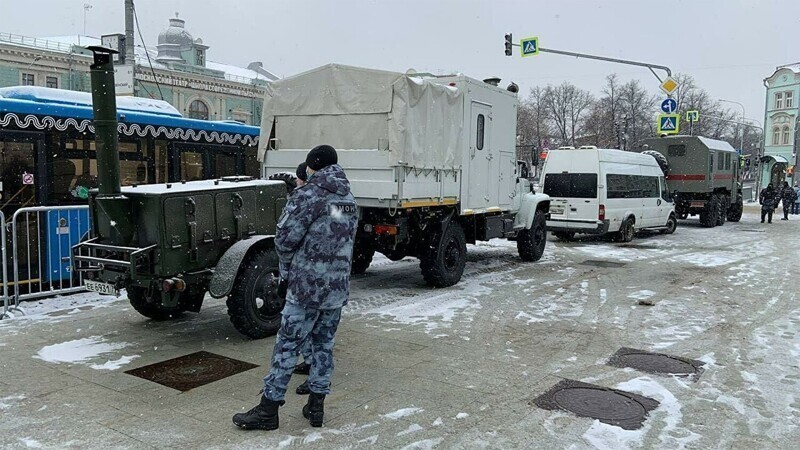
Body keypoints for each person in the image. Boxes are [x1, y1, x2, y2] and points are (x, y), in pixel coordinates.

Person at [233, 145, 358, 430]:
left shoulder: (308, 195)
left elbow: (285, 239)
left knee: (287, 346)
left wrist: (287, 273)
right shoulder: (348, 197)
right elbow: (340, 238)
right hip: (336, 289)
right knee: (324, 346)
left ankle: (268, 410)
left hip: (306, 288)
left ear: (313, 166)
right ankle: (316, 406)